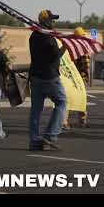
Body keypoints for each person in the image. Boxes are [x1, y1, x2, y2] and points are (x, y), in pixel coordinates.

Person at [28, 9, 68, 151]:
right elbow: (54, 55)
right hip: (50, 77)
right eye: (51, 20)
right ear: (45, 21)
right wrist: (65, 46)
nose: (53, 22)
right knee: (62, 102)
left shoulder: (33, 36)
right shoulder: (47, 37)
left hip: (35, 77)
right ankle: (50, 136)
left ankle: (34, 140)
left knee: (36, 111)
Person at [62, 27, 90, 129]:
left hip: (69, 77)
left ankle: (64, 122)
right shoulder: (83, 49)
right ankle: (82, 120)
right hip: (79, 78)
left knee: (67, 99)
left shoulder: (70, 47)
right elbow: (86, 66)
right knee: (81, 99)